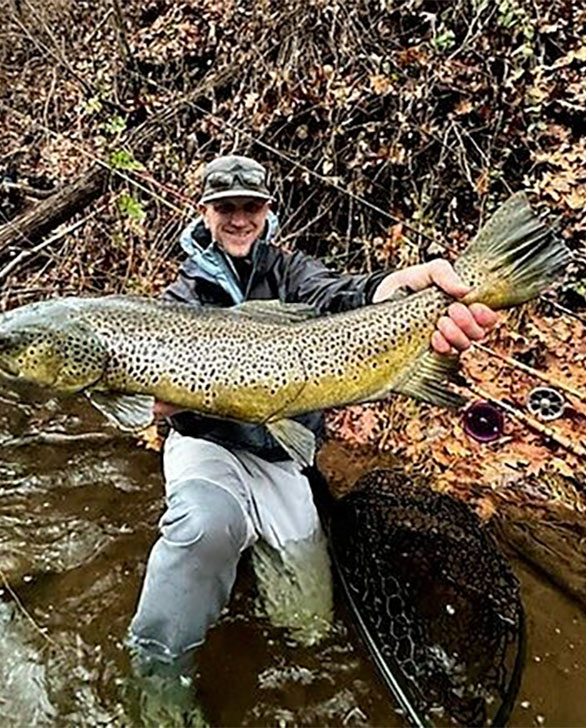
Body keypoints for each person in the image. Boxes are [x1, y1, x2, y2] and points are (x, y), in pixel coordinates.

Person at [125, 155, 497, 724]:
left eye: (250, 206)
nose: (240, 218)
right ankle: (158, 676)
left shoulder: (293, 272)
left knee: (308, 627)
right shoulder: (179, 301)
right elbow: (143, 400)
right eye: (227, 208)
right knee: (204, 527)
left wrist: (392, 289)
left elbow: (341, 295)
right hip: (209, 449)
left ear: (267, 211)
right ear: (206, 213)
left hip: (280, 454)